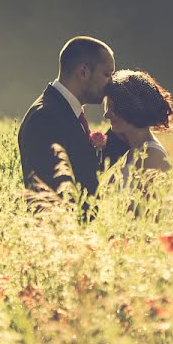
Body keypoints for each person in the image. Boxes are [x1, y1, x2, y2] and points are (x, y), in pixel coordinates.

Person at [18, 36, 116, 216]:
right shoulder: (45, 117)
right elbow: (50, 197)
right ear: (84, 72)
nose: (111, 84)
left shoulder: (65, 111)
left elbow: (84, 169)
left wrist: (127, 125)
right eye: (107, 74)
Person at [102, 69, 173, 182]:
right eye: (107, 108)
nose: (106, 115)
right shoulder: (132, 150)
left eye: (113, 109)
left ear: (133, 109)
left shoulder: (152, 158)